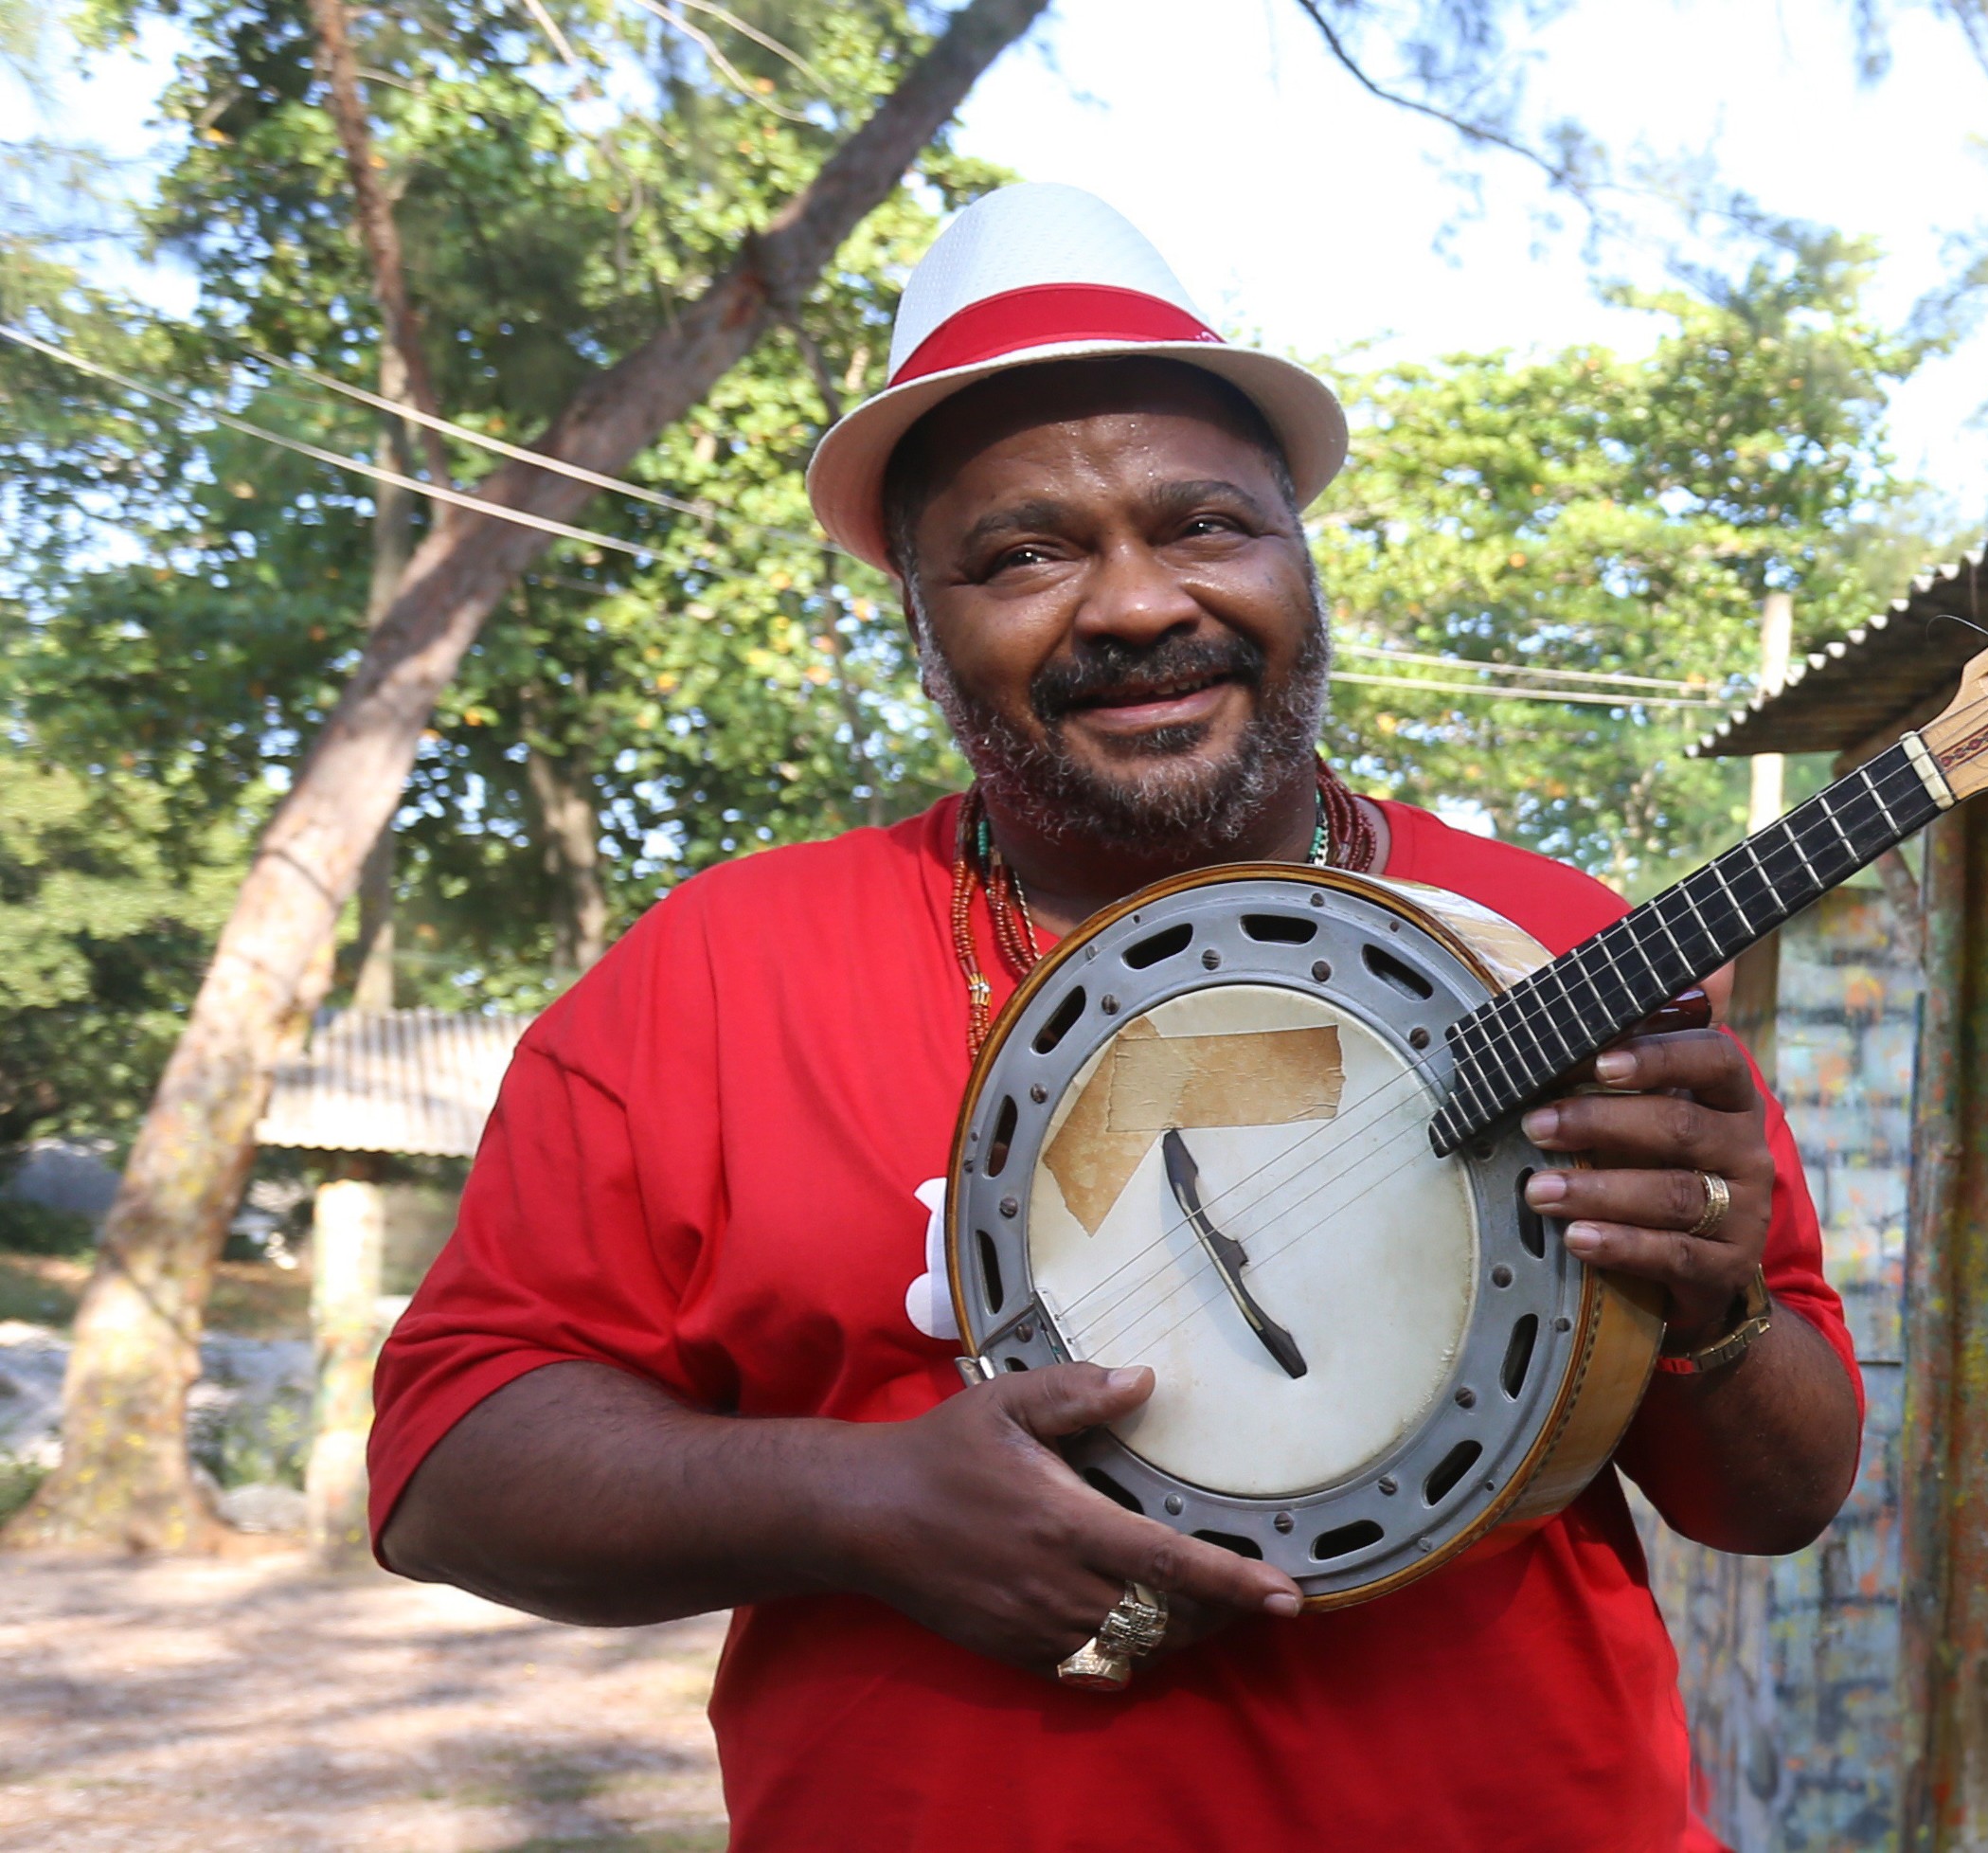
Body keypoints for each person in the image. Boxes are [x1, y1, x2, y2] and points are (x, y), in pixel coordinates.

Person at [369, 183, 1863, 1852]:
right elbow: (448, 1463)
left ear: (1302, 556)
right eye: (1025, 554)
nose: (1140, 604)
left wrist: (1715, 1303)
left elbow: (1783, 1495)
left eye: (1208, 525)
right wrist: (855, 1499)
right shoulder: (718, 971)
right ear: (920, 618)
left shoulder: (1551, 944)